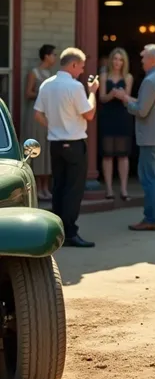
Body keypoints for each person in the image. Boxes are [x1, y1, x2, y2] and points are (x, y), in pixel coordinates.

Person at [34, 47, 98, 248]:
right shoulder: (75, 86)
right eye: (81, 67)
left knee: (59, 187)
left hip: (55, 143)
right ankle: (70, 232)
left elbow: (37, 114)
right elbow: (89, 114)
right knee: (73, 189)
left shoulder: (47, 84)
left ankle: (57, 232)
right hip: (74, 142)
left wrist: (54, 126)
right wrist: (93, 93)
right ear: (72, 65)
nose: (81, 71)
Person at [115, 44, 155, 231]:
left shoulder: (149, 80)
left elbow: (142, 111)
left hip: (149, 138)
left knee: (150, 179)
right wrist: (128, 98)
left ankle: (151, 219)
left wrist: (125, 102)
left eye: (144, 57)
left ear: (153, 59)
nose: (142, 61)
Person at [98, 48, 133, 201]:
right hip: (108, 116)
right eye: (115, 59)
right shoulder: (104, 76)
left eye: (120, 59)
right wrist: (111, 94)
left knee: (123, 155)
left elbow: (128, 100)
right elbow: (101, 98)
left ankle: (124, 189)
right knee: (108, 154)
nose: (117, 62)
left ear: (124, 62)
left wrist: (123, 96)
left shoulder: (128, 77)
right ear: (111, 60)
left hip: (122, 117)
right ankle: (109, 190)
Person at [24, 43, 56, 200]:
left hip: (48, 115)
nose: (55, 58)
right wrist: (41, 93)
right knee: (37, 148)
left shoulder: (50, 74)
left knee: (47, 149)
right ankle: (35, 188)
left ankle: (45, 187)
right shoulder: (34, 73)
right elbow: (27, 93)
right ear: (46, 56)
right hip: (36, 114)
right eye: (53, 55)